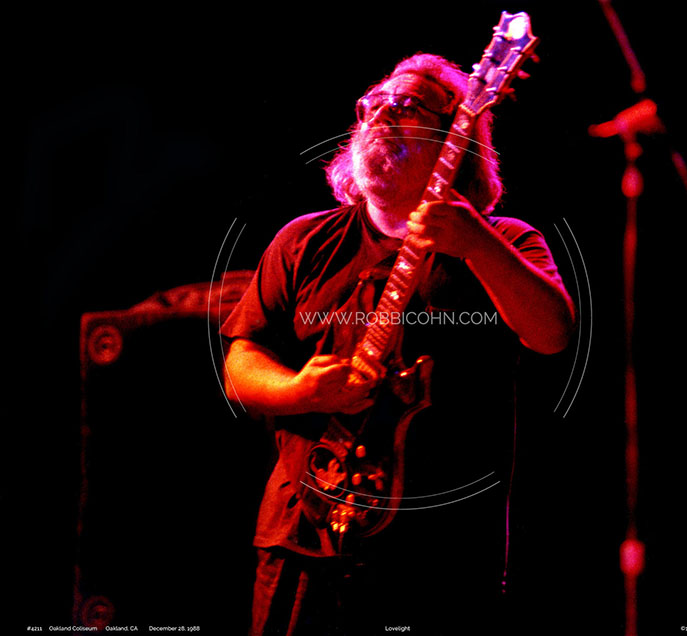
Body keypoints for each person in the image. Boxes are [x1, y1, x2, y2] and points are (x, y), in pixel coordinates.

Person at [221, 52, 576, 635]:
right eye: (373, 105)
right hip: (299, 540)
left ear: (456, 136)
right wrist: (299, 391)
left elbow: (553, 334)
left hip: (436, 558)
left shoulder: (504, 240)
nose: (382, 114)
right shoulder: (302, 240)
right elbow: (241, 359)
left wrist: (477, 244)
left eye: (408, 105)